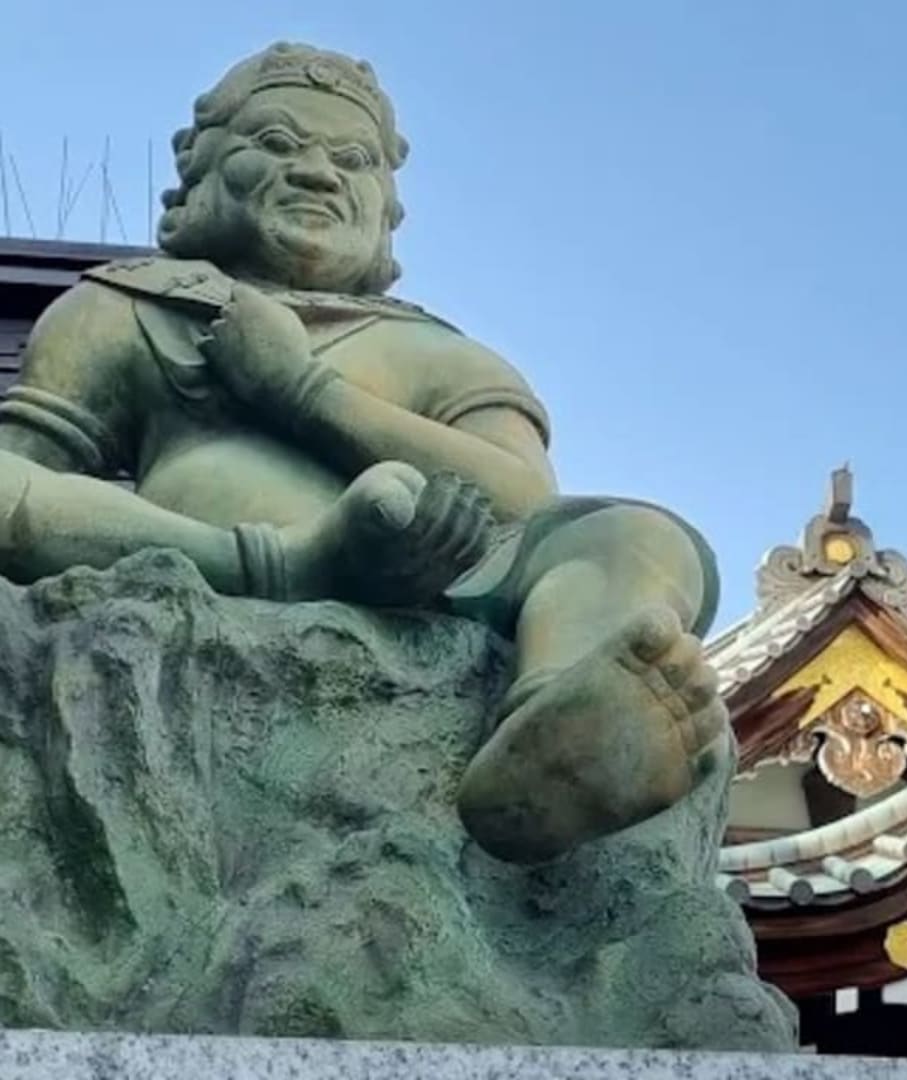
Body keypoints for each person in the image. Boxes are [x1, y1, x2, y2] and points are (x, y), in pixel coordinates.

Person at [0, 42, 727, 864]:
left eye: (351, 160)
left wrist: (302, 392)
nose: (316, 173)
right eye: (276, 143)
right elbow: (20, 480)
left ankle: (554, 723)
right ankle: (294, 563)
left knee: (639, 537)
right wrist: (306, 560)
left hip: (455, 575)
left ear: (386, 208)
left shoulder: (441, 352)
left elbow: (527, 504)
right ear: (199, 176)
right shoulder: (126, 310)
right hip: (229, 563)